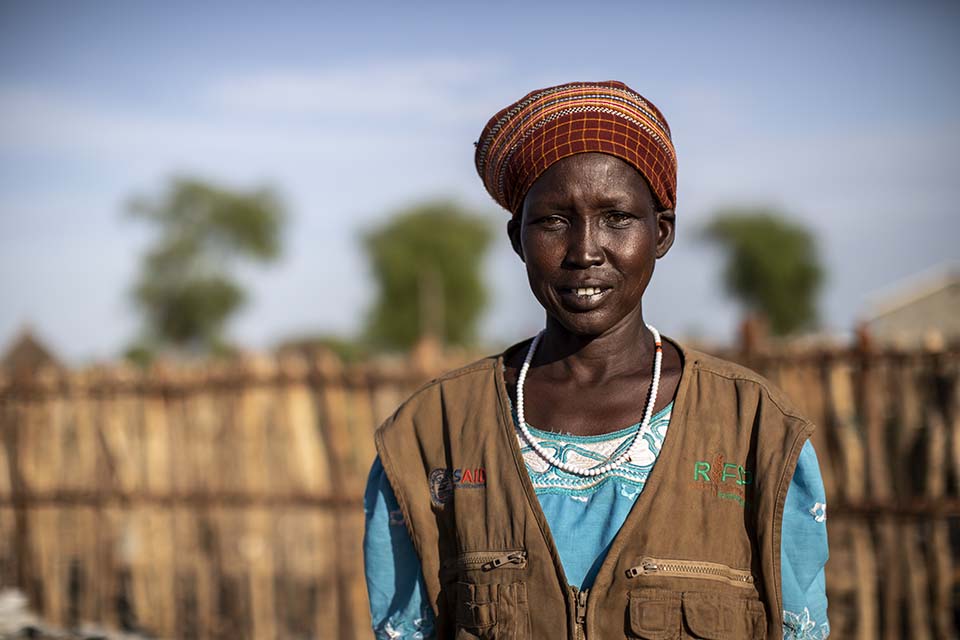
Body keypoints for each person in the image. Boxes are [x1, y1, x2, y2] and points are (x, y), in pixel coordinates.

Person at [363, 81, 829, 639]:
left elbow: (803, 626)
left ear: (661, 232)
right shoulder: (430, 435)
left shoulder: (756, 428)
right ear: (517, 239)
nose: (585, 251)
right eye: (554, 221)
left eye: (616, 218)